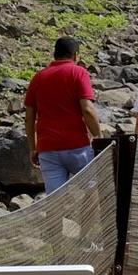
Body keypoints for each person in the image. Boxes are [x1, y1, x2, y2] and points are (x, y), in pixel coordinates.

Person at [24, 36, 103, 193]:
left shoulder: (39, 77)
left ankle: (56, 219)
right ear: (75, 55)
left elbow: (29, 117)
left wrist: (33, 148)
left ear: (55, 54)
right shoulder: (78, 72)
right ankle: (88, 218)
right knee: (91, 192)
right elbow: (87, 109)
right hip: (77, 146)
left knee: (55, 201)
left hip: (48, 149)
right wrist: (99, 137)